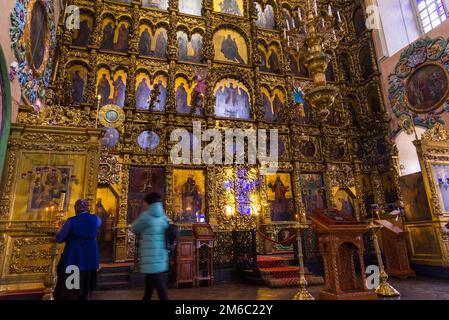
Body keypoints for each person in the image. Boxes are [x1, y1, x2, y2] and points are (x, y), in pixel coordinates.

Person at [54, 199, 102, 300]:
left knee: (72, 289)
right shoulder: (96, 219)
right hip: (90, 258)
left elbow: (59, 238)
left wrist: (58, 231)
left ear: (77, 208)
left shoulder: (71, 221)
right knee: (86, 289)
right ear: (87, 208)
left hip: (74, 258)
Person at [132, 192, 169, 300]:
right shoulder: (163, 216)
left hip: (150, 258)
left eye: (144, 203)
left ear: (148, 203)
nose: (143, 205)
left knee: (161, 292)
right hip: (161, 256)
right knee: (150, 287)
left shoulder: (146, 216)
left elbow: (135, 228)